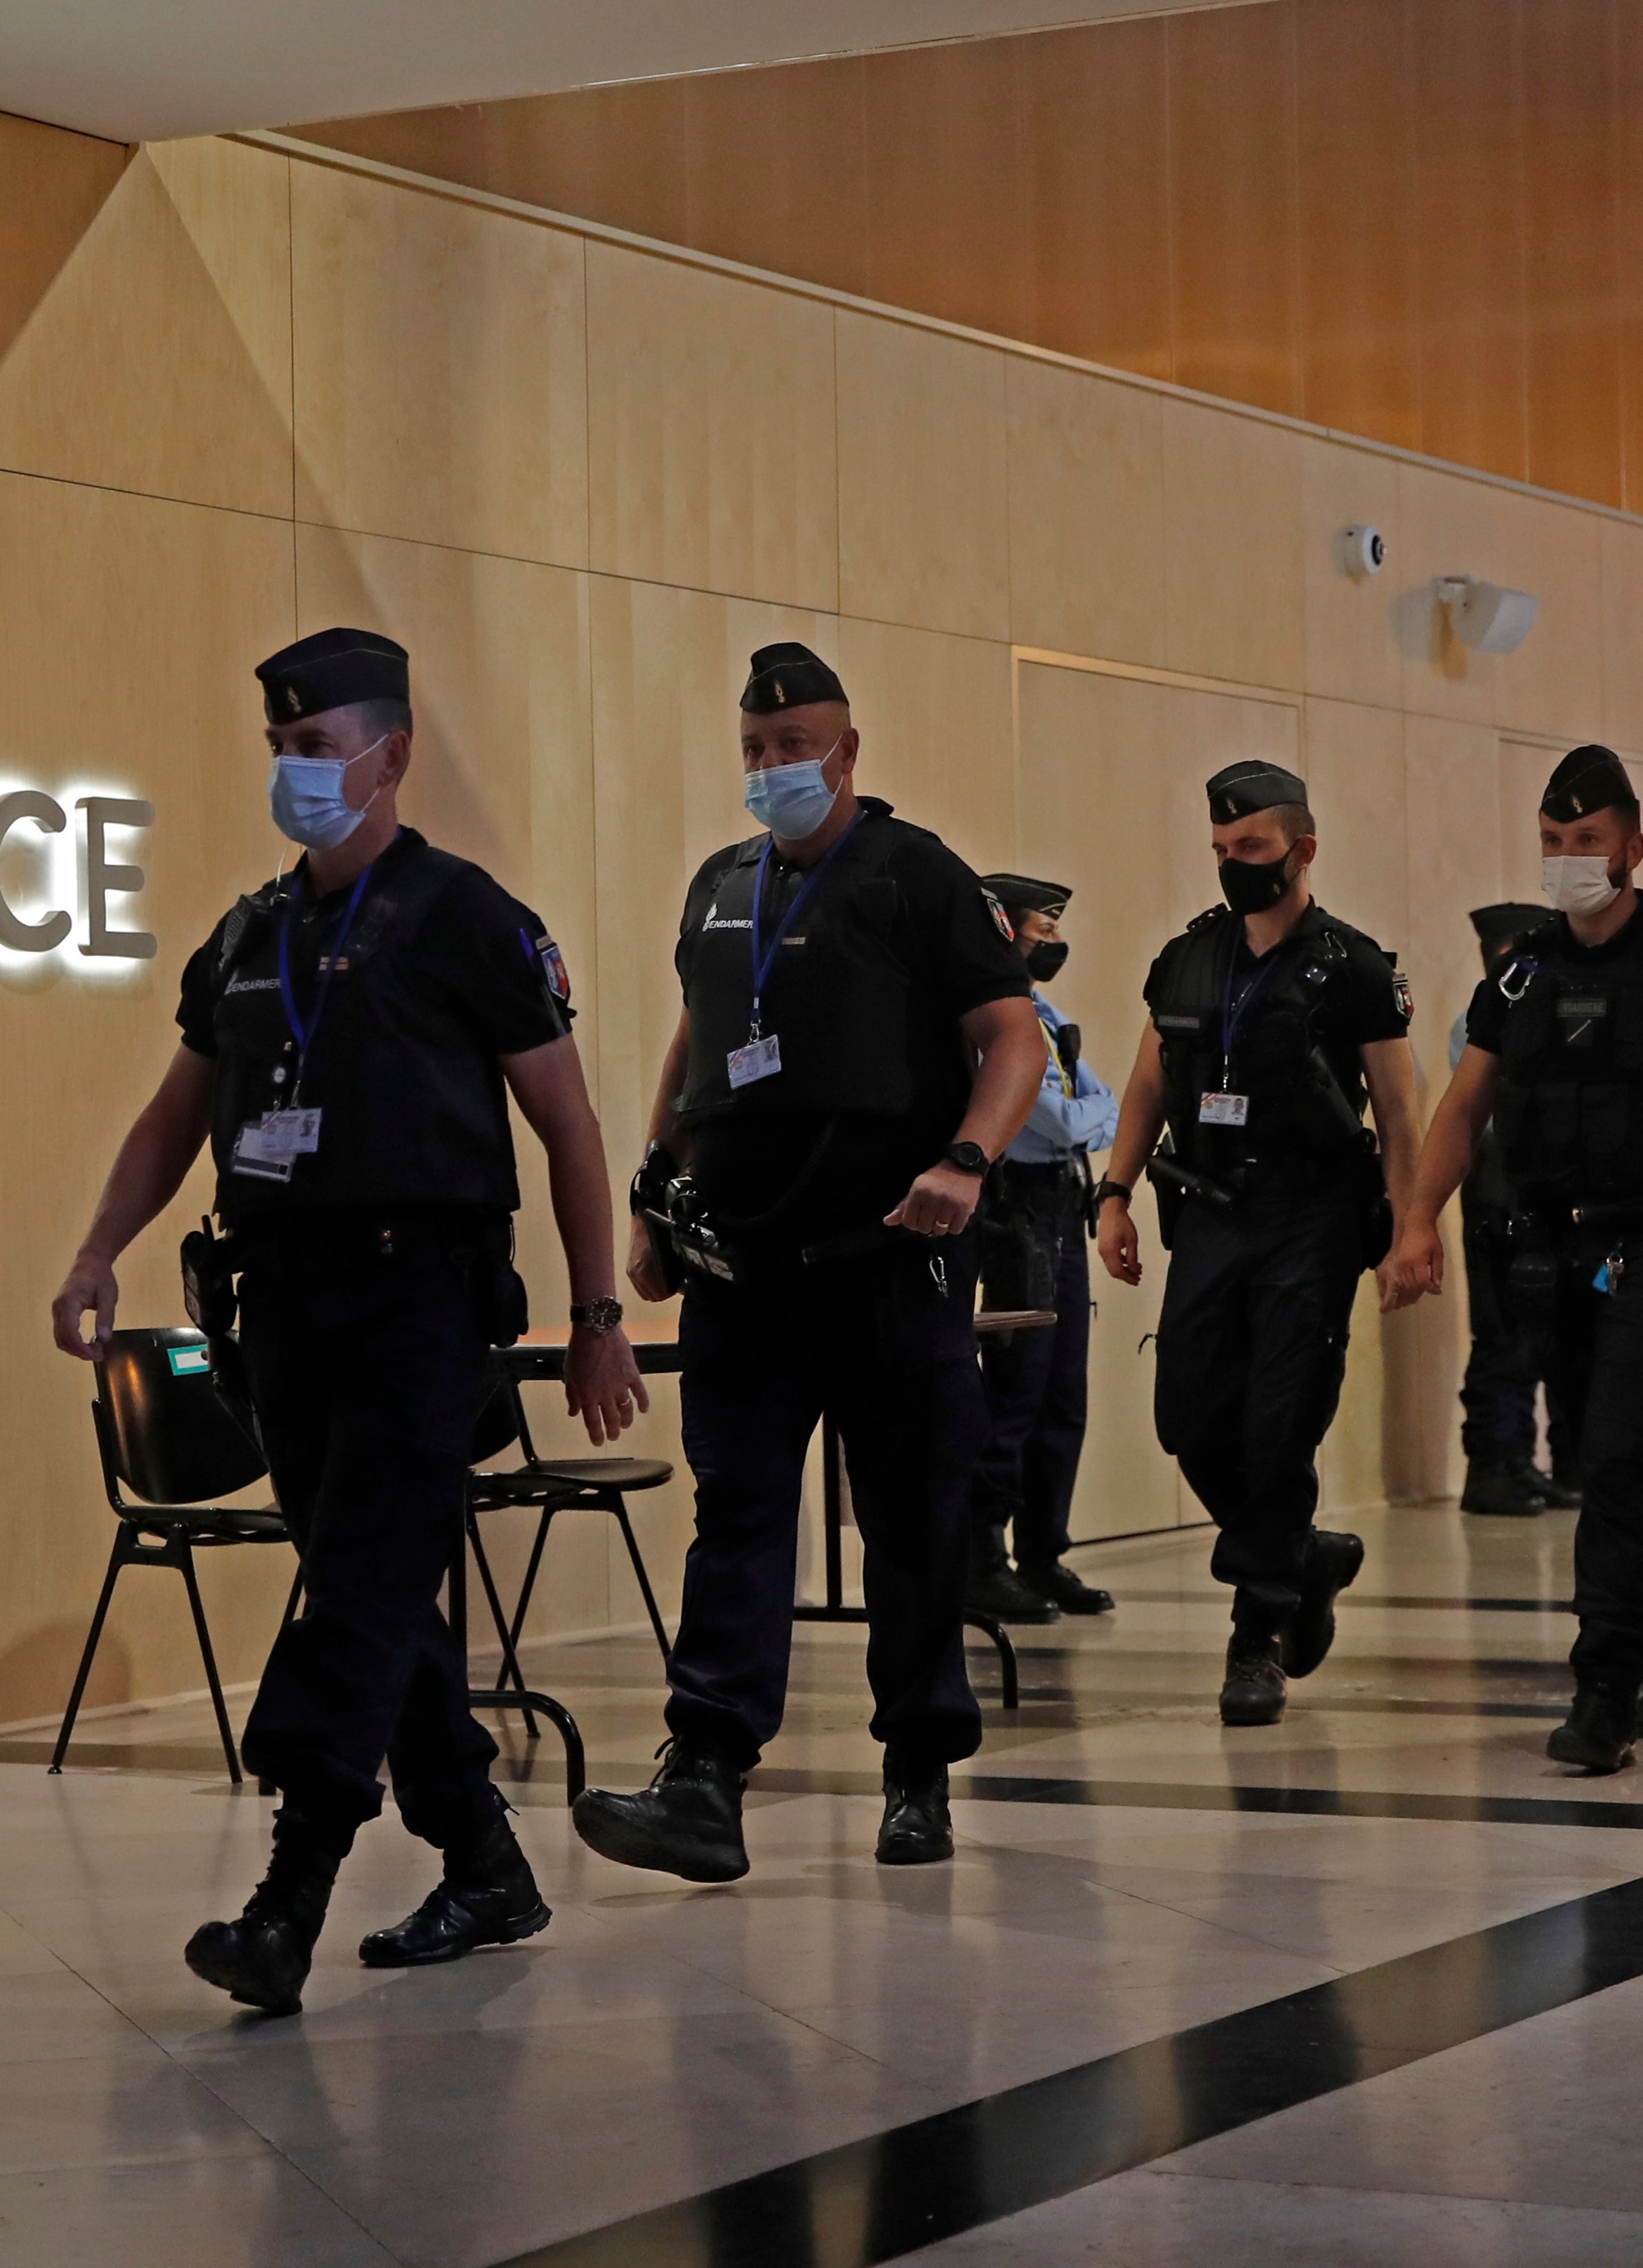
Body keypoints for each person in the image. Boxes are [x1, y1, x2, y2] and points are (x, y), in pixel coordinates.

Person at [49, 627, 645, 2015]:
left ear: (389, 754)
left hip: (419, 1301)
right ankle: (487, 1862)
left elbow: (565, 1125)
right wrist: (97, 1248)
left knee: (363, 1589)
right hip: (282, 1311)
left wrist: (596, 1311)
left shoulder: (467, 918)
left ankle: (287, 1896)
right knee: (383, 1598)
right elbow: (174, 1113)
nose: (292, 772)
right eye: (277, 749)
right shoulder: (251, 934)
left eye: (313, 749)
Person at [573, 642, 1041, 1880]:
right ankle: (706, 1776)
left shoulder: (916, 874)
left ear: (846, 751)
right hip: (745, 1267)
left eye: (795, 747)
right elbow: (694, 1049)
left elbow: (1011, 1032)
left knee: (910, 1519)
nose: (774, 767)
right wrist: (650, 1207)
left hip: (891, 1257)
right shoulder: (721, 883)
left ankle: (917, 1770)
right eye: (755, 750)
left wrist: (966, 1161)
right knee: (734, 1512)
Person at [1383, 744, 1643, 1775]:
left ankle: (1604, 1686)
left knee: (1620, 1456)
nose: (1568, 857)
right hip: (1554, 1245)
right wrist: (1413, 1222)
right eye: (1552, 841)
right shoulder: (1524, 965)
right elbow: (1464, 1104)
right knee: (1609, 1456)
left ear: (1631, 848)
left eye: (1586, 841)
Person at [1091, 761, 1419, 1726]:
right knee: (1188, 1417)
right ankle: (1302, 1556)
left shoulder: (1353, 965)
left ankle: (1256, 1632)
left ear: (1301, 850)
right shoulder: (1188, 958)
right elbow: (1148, 1081)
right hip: (1210, 1210)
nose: (1235, 865)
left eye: (1254, 848)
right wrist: (1113, 1194)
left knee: (1280, 1422)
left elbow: (1400, 1114)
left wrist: (1410, 1230)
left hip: (1310, 1215)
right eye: (1223, 850)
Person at [965, 873, 1120, 1624]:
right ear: (1006, 929)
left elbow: (1108, 1107)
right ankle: (982, 1558)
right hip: (1014, 1216)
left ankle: (1042, 1553)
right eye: (1042, 928)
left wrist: (1087, 1115)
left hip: (1064, 1210)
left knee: (1064, 1395)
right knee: (1014, 1393)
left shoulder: (1046, 1011)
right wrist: (1089, 1115)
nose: (1053, 941)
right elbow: (1056, 1121)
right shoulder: (992, 1019)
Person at [1455, 901, 1585, 1518]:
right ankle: (1497, 1465)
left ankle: (1564, 1464)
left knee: (1567, 1335)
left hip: (1555, 1198)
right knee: (1504, 1339)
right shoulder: (1480, 1019)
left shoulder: (1572, 1007)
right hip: (1499, 1199)